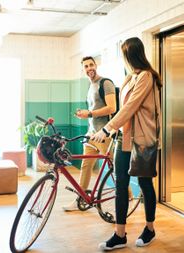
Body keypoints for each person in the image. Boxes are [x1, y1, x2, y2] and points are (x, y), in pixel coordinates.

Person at [91, 37, 161, 250]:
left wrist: (106, 128)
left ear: (131, 56)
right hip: (124, 137)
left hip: (143, 141)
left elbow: (130, 106)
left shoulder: (147, 77)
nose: (124, 59)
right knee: (120, 185)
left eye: (124, 55)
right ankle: (119, 234)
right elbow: (125, 111)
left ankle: (149, 228)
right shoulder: (130, 77)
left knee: (144, 184)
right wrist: (114, 131)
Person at [62, 56, 117, 211]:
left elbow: (112, 108)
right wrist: (84, 114)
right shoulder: (90, 85)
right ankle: (79, 199)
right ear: (83, 69)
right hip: (91, 134)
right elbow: (93, 110)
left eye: (91, 65)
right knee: (86, 167)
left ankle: (128, 197)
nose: (89, 68)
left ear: (96, 65)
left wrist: (90, 113)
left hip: (104, 134)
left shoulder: (105, 83)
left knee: (114, 168)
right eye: (86, 66)